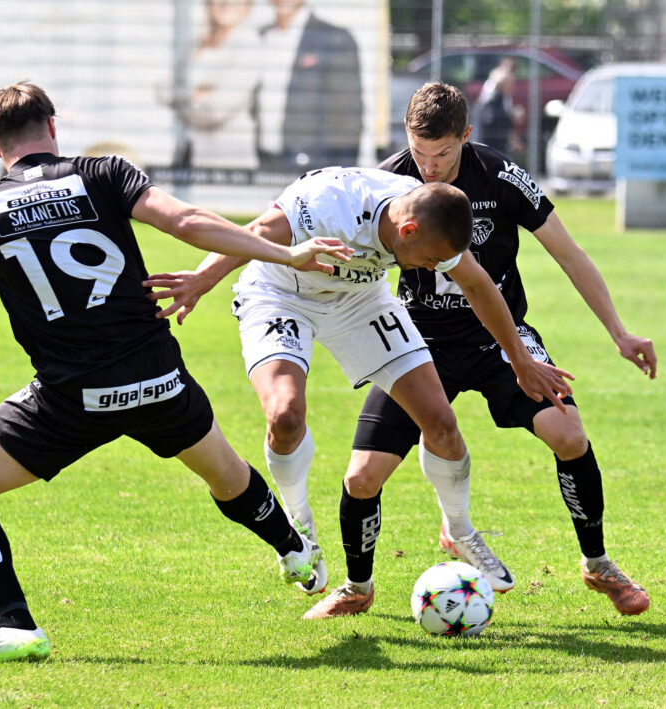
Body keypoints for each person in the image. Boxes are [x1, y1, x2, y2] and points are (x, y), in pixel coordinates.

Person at [0, 82, 355, 662]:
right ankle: (295, 550)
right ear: (53, 126)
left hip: (71, 398)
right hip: (158, 380)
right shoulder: (103, 173)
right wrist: (286, 253)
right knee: (226, 476)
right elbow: (187, 220)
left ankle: (13, 623)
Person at [142, 165, 573, 603]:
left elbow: (478, 286)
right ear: (407, 231)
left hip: (360, 301)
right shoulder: (329, 204)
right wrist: (202, 279)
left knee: (441, 423)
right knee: (285, 416)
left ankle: (459, 530)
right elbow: (258, 230)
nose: (431, 268)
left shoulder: (430, 217)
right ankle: (299, 524)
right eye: (429, 259)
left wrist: (521, 361)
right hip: (281, 294)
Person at [304, 82, 654, 620]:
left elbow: (568, 254)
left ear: (465, 136)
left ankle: (598, 564)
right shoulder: (387, 181)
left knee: (569, 434)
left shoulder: (502, 176)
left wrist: (619, 332)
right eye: (419, 152)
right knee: (362, 477)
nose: (429, 167)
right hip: (416, 341)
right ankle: (357, 586)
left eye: (442, 153)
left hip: (501, 338)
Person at [257, 0, 362, 171]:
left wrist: (341, 175)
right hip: (264, 163)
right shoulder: (260, 36)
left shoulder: (335, 39)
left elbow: (348, 114)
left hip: (314, 167)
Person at [162, 0, 260, 169]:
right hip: (190, 154)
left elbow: (217, 109)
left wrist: (180, 103)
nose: (226, 4)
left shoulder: (249, 44)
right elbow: (163, 89)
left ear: (247, 7)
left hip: (228, 159)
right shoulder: (196, 43)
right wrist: (197, 95)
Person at [472, 62, 523, 157]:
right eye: (511, 83)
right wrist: (512, 116)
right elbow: (491, 120)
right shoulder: (490, 99)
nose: (513, 86)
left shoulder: (502, 98)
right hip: (487, 148)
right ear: (503, 84)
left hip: (495, 148)